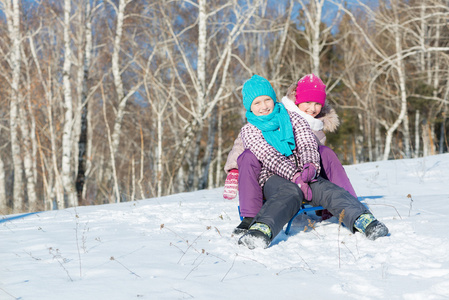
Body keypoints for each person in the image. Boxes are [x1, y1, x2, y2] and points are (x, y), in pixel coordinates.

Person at [234, 74, 388, 249]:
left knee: (326, 188)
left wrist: (310, 167)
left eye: (267, 100)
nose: (263, 106)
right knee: (289, 192)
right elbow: (269, 156)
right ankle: (262, 230)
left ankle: (364, 220)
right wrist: (295, 177)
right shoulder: (249, 130)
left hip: (304, 172)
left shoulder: (293, 118)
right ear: (249, 106)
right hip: (272, 176)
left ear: (273, 98)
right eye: (257, 103)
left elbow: (307, 143)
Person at [223, 74, 357, 233]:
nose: (312, 108)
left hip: (304, 169)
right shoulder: (268, 120)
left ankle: (347, 203)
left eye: (317, 104)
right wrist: (233, 168)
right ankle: (250, 216)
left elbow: (310, 147)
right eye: (307, 102)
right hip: (273, 171)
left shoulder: (311, 123)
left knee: (325, 152)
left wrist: (310, 167)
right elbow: (246, 146)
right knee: (247, 156)